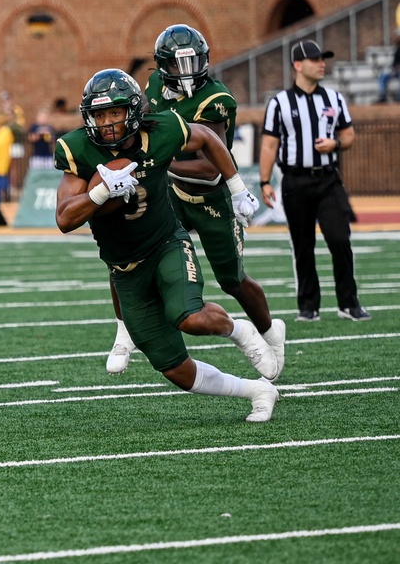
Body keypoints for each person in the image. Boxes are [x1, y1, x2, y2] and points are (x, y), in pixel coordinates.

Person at [54, 68, 280, 422]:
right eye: (99, 115)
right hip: (125, 269)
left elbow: (206, 136)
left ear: (132, 111)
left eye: (115, 112)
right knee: (175, 370)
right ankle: (256, 390)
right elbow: (65, 219)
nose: (108, 123)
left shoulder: (162, 130)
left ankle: (242, 331)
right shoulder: (77, 148)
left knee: (188, 316)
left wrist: (236, 187)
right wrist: (100, 192)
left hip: (165, 244)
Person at [104, 24, 285, 377]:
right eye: (177, 65)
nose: (186, 74)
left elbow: (208, 167)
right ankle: (124, 332)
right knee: (125, 254)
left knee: (232, 280)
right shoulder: (153, 85)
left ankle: (270, 333)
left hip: (211, 198)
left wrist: (155, 158)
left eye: (193, 63)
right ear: (161, 65)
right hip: (169, 194)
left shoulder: (216, 98)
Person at [259, 39, 369, 322]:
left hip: (328, 180)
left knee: (339, 238)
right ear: (298, 64)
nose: (322, 64)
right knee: (302, 244)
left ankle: (349, 303)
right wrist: (264, 181)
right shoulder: (280, 103)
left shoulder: (334, 98)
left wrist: (334, 144)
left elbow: (349, 136)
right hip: (295, 181)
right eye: (316, 59)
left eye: (323, 59)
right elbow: (270, 144)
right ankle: (309, 306)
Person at [375, 37, 400, 103]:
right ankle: (382, 96)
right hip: (396, 71)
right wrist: (394, 70)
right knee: (383, 77)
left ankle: (398, 97)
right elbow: (394, 64)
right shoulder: (397, 51)